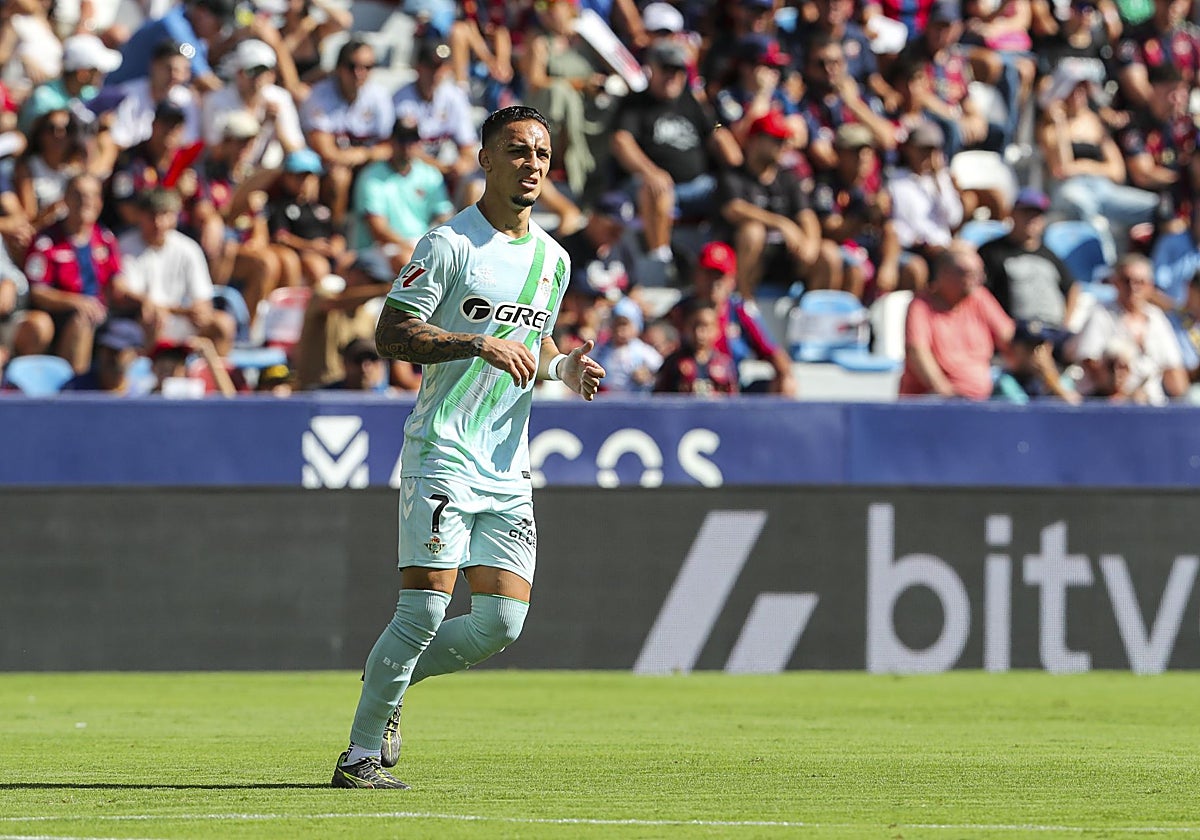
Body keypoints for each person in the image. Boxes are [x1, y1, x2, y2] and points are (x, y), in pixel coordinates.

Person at [331, 105, 605, 789]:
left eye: (541, 153)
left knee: (500, 624)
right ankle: (360, 755)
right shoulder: (449, 244)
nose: (532, 164)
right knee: (422, 608)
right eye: (517, 150)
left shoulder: (554, 259)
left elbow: (534, 344)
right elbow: (391, 335)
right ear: (485, 159)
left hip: (507, 465)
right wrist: (474, 342)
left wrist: (563, 366)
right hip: (444, 450)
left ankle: (387, 682)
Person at [714, 110, 838, 299]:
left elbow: (807, 216)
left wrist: (810, 246)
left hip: (786, 257)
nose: (783, 146)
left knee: (828, 253)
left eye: (784, 140)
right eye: (776, 140)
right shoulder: (733, 176)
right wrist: (780, 223)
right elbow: (734, 208)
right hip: (750, 259)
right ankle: (744, 304)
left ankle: (814, 315)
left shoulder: (789, 178)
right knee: (752, 232)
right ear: (755, 140)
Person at [667, 240, 796, 395]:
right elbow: (661, 343)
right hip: (687, 388)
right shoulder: (680, 311)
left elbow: (771, 351)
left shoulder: (739, 311)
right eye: (708, 274)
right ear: (697, 275)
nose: (714, 282)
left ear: (732, 280)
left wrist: (785, 376)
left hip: (729, 388)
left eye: (720, 276)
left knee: (784, 384)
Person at [117, 187, 235, 353]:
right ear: (140, 216)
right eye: (152, 216)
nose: (159, 222)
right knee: (155, 317)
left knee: (223, 324)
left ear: (174, 217)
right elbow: (127, 295)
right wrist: (180, 311)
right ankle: (154, 373)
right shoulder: (125, 246)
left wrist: (201, 313)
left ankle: (216, 375)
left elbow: (203, 297)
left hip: (183, 320)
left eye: (165, 215)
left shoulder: (188, 249)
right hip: (141, 322)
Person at [899, 240, 1015, 399]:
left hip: (981, 401)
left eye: (979, 274)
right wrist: (944, 391)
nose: (976, 280)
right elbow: (917, 353)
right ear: (943, 273)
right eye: (967, 273)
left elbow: (1009, 338)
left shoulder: (980, 298)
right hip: (936, 401)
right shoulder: (921, 305)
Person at [1070, 253, 1188, 404]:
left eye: (1140, 282)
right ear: (1116, 283)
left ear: (1150, 285)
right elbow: (1091, 363)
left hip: (1151, 407)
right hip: (1105, 404)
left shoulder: (1157, 318)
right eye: (1127, 281)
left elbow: (1174, 370)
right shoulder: (1101, 314)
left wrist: (1185, 404)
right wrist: (1125, 395)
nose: (1133, 287)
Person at [351, 117, 456, 273]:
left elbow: (445, 216)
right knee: (408, 262)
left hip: (419, 243)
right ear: (391, 141)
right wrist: (415, 248)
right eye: (402, 140)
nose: (407, 146)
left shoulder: (430, 174)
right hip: (380, 249)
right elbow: (378, 230)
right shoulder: (371, 177)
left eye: (412, 140)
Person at [979, 187, 1079, 330]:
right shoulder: (991, 252)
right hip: (1015, 334)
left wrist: (1066, 324)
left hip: (1053, 331)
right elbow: (981, 294)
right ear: (1012, 214)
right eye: (1026, 213)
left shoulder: (1049, 255)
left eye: (1036, 215)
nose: (1032, 219)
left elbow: (1072, 287)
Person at [654, 298, 740, 395]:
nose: (699, 333)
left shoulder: (726, 364)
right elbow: (659, 400)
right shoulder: (673, 363)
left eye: (706, 326)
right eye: (694, 326)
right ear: (685, 327)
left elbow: (734, 401)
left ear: (717, 329)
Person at [592, 296, 662, 393]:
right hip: (604, 403)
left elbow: (660, 373)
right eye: (617, 325)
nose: (620, 331)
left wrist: (647, 377)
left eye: (625, 325)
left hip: (634, 404)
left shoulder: (644, 352)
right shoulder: (599, 351)